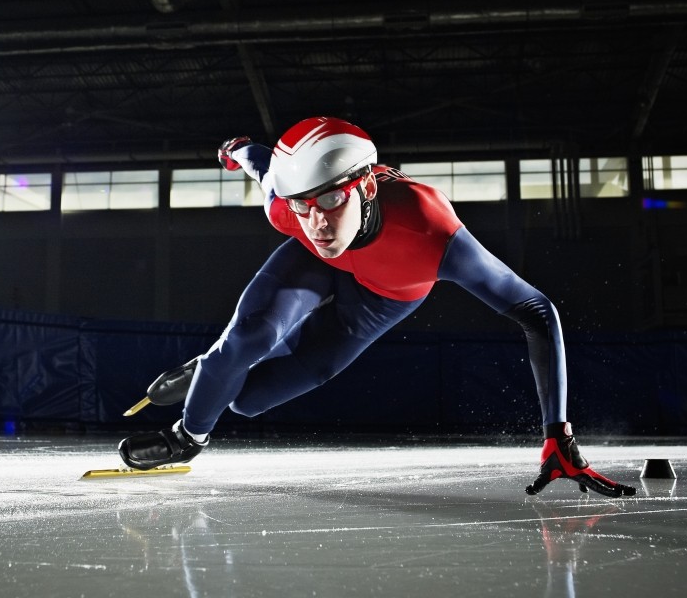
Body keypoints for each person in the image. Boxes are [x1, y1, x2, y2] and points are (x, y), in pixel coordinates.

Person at [118, 116, 635, 498]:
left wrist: (557, 434)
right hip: (315, 268)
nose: (316, 221)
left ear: (366, 185)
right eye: (303, 204)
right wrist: (234, 150)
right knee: (248, 340)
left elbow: (538, 311)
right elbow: (259, 162)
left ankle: (210, 375)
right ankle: (187, 436)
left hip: (379, 301)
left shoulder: (431, 230)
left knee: (247, 401)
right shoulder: (288, 206)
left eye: (329, 201)